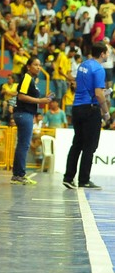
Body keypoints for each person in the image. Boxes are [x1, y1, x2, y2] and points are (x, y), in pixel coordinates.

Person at [62, 42, 109, 190]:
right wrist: (106, 113)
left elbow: (80, 85)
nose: (108, 55)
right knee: (90, 146)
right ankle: (84, 180)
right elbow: (98, 95)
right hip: (90, 110)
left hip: (77, 107)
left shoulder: (84, 65)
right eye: (107, 53)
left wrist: (101, 93)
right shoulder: (99, 69)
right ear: (102, 54)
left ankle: (68, 177)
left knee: (77, 144)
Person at [11, 56, 52, 185]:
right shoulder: (27, 78)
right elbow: (21, 96)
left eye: (39, 65)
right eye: (35, 64)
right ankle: (20, 175)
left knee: (22, 145)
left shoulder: (32, 80)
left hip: (26, 114)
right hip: (24, 114)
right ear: (28, 66)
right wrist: (40, 101)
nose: (38, 67)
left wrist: (43, 100)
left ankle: (17, 175)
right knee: (24, 145)